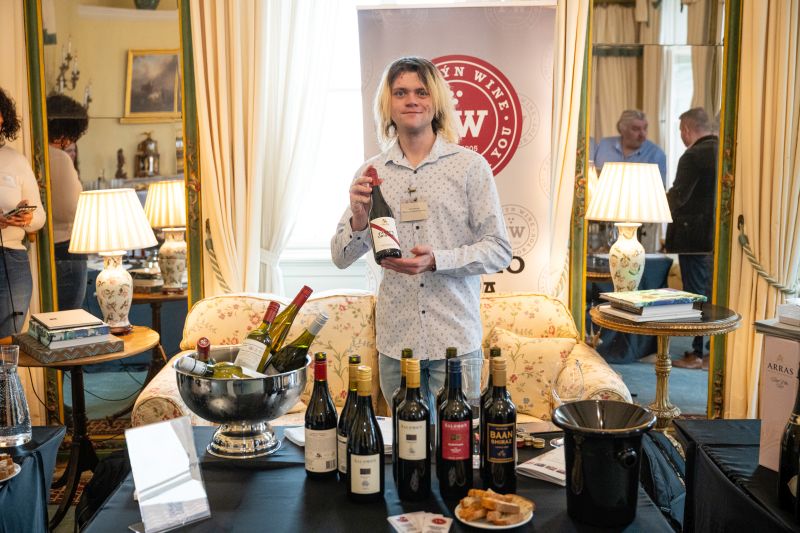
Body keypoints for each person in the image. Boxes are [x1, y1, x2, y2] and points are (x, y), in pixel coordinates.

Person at [331, 56, 512, 413]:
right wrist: (359, 220)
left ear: (436, 101)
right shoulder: (371, 173)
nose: (411, 100)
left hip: (455, 341)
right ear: (388, 105)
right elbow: (340, 257)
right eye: (400, 93)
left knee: (456, 444)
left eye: (421, 92)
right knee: (405, 442)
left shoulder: (470, 167)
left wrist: (436, 261)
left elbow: (499, 250)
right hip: (397, 345)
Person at [665, 108, 719, 370]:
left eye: (680, 131)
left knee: (696, 295)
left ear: (686, 129)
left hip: (692, 238)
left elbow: (679, 196)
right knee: (711, 293)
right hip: (715, 237)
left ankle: (697, 354)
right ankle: (710, 352)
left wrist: (656, 205)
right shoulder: (723, 150)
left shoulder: (693, 155)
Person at [0, 87, 46, 338]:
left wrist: (27, 218)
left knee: (9, 341)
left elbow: (39, 217)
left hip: (12, 261)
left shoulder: (16, 161)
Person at [592, 110, 668, 252]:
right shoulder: (604, 146)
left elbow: (658, 192)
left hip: (641, 224)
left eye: (645, 128)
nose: (642, 134)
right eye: (636, 129)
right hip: (604, 218)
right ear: (622, 128)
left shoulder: (656, 154)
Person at [46, 93, 89, 311]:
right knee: (69, 318)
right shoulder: (59, 158)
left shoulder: (36, 153)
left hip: (51, 248)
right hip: (67, 248)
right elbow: (72, 210)